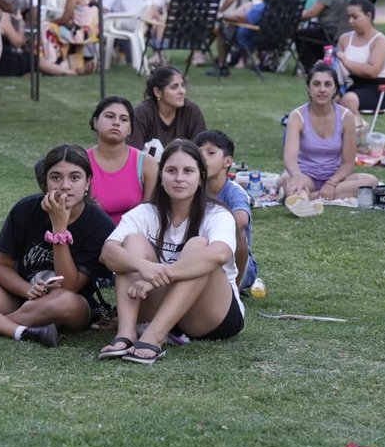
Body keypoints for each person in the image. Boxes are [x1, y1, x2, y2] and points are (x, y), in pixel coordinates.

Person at [0, 144, 115, 348]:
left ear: (87, 181)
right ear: (45, 182)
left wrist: (59, 229)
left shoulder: (99, 224)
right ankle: (22, 331)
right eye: (56, 177)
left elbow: (69, 286)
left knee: (63, 301)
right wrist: (27, 290)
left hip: (70, 304)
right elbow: (1, 268)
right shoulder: (26, 209)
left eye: (74, 177)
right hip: (20, 295)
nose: (65, 185)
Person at [97, 139, 245, 364]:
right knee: (132, 243)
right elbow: (108, 253)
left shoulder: (216, 214)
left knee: (199, 246)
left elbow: (220, 254)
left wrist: (158, 277)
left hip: (211, 316)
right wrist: (143, 267)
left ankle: (154, 337)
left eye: (188, 171)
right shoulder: (145, 212)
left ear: (200, 177)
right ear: (161, 176)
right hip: (160, 305)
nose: (179, 178)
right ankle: (126, 334)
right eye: (171, 171)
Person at [279, 62, 378, 200]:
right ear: (308, 88)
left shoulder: (346, 116)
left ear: (335, 89)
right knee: (288, 180)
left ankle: (311, 197)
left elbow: (348, 163)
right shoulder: (297, 116)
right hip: (305, 175)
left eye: (328, 84)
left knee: (370, 182)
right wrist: (296, 176)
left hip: (335, 177)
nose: (322, 89)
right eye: (316, 84)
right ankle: (302, 193)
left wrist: (331, 183)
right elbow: (290, 158)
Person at [194, 130, 259, 292]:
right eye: (198, 152)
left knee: (239, 232)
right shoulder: (193, 188)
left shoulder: (234, 192)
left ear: (227, 161)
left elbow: (241, 220)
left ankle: (234, 288)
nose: (202, 157)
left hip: (237, 264)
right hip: (202, 253)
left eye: (210, 153)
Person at [87, 96, 158, 225]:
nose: (116, 122)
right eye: (109, 116)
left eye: (124, 119)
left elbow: (151, 217)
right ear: (95, 122)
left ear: (130, 129)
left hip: (133, 238)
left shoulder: (147, 164)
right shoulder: (81, 161)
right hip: (90, 237)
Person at [128, 64, 207, 154]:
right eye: (174, 87)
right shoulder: (142, 114)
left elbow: (201, 153)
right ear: (158, 92)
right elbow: (132, 155)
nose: (182, 91)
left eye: (182, 85)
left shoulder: (191, 112)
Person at [335, 0, 385, 119]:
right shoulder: (345, 38)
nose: (350, 21)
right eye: (349, 17)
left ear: (369, 16)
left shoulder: (379, 41)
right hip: (348, 84)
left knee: (348, 99)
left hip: (375, 89)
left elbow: (372, 71)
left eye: (355, 17)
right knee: (322, 95)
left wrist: (346, 61)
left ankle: (357, 132)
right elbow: (336, 65)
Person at [39, 0, 98, 76]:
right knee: (56, 28)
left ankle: (54, 62)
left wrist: (48, 21)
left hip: (81, 33)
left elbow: (64, 19)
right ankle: (63, 62)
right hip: (93, 31)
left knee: (45, 26)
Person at [296, 0, 350, 73]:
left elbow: (312, 13)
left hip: (328, 32)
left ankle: (311, 68)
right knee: (311, 34)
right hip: (339, 32)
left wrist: (295, 16)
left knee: (299, 35)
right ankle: (323, 65)